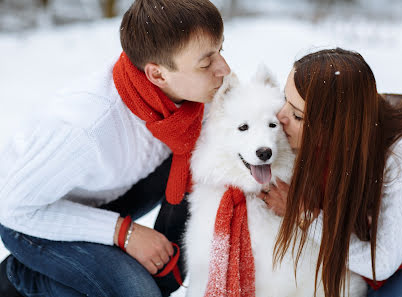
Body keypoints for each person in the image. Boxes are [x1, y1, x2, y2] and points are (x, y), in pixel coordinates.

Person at [0, 0, 230, 296]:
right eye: (206, 62)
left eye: (221, 51)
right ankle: (24, 275)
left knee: (163, 278)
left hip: (105, 194)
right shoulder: (87, 128)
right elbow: (13, 209)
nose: (223, 68)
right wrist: (125, 233)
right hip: (31, 217)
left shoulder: (193, 98)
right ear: (157, 75)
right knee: (138, 292)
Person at [260, 48, 402, 297]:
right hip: (369, 229)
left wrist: (304, 214)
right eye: (285, 98)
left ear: (335, 128)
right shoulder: (347, 129)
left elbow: (380, 264)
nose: (280, 116)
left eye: (297, 115)